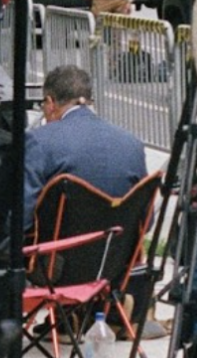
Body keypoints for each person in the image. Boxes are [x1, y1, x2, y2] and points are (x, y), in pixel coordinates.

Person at [21, 65, 147, 238]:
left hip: (56, 258)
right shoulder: (133, 144)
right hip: (117, 257)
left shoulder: (39, 141)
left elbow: (22, 218)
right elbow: (146, 220)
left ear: (50, 103)